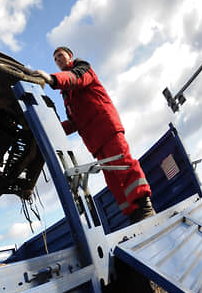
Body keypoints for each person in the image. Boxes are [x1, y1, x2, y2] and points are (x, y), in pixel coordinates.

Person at [36, 47, 155, 223]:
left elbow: (75, 78)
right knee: (113, 179)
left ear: (71, 56)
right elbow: (73, 122)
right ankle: (134, 214)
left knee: (124, 165)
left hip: (106, 128)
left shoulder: (83, 69)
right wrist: (48, 129)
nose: (58, 60)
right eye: (55, 59)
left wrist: (52, 79)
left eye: (61, 55)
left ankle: (144, 207)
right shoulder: (67, 94)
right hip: (94, 142)